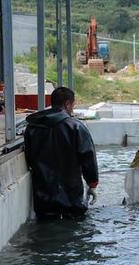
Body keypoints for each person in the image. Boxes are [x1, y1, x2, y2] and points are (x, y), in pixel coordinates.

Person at [24, 87, 99, 219]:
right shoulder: (76, 127)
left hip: (43, 199)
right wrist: (92, 184)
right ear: (67, 104)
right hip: (71, 198)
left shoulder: (32, 127)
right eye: (72, 106)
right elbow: (88, 158)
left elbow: (29, 158)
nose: (72, 110)